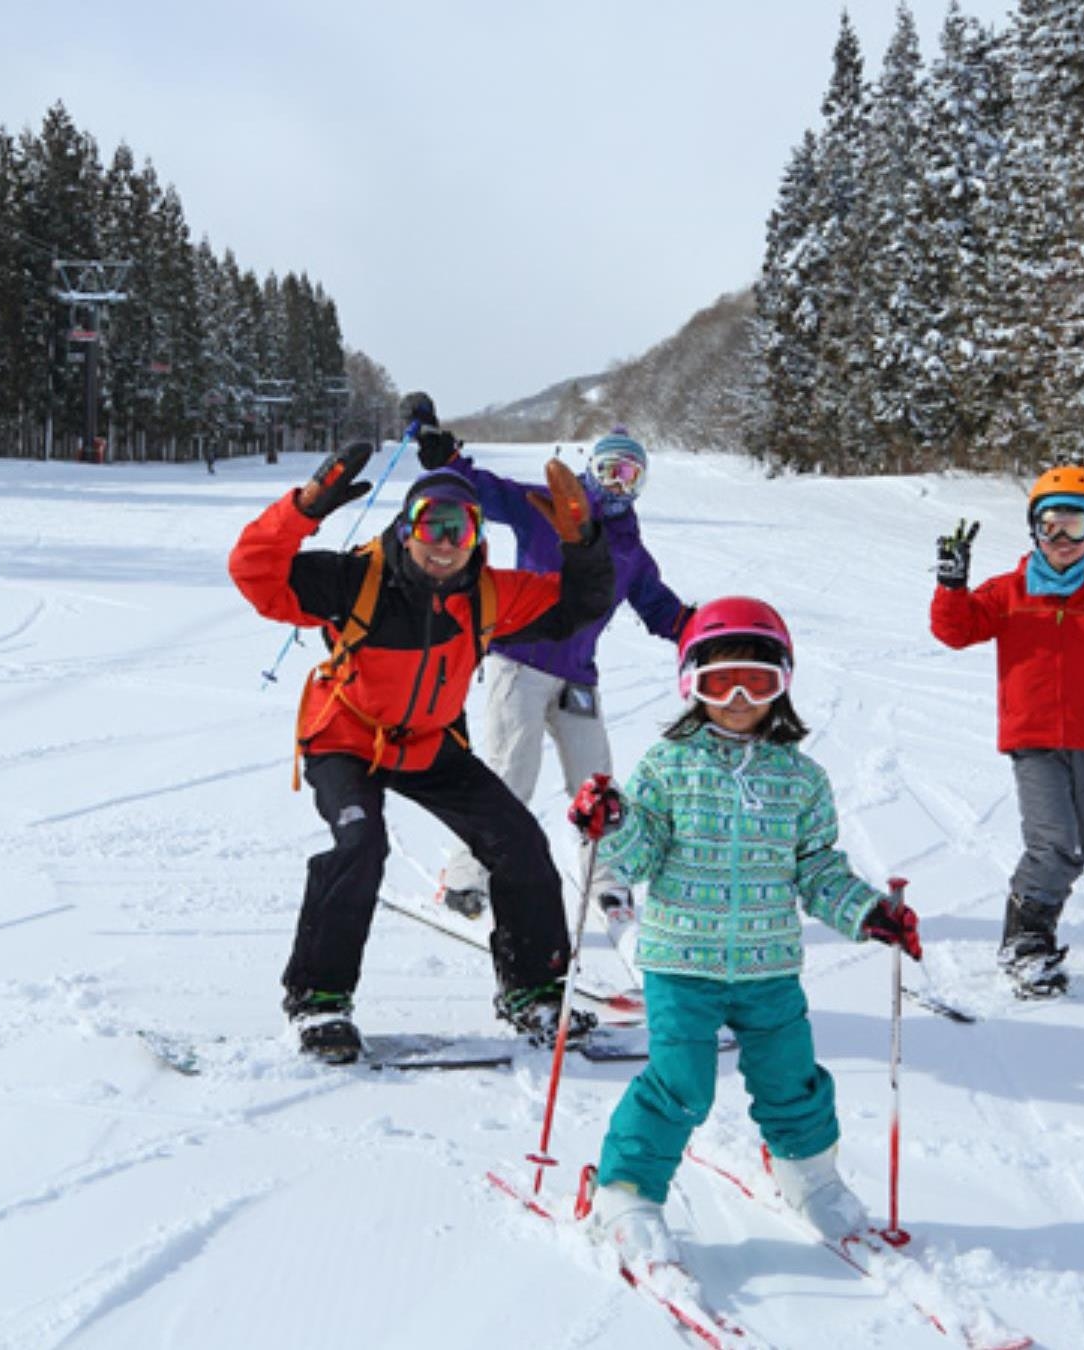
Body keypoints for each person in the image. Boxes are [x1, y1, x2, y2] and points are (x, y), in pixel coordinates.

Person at [228, 419, 618, 1064]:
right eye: (430, 526)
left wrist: (582, 543)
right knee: (360, 844)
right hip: (345, 737)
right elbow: (255, 575)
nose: (443, 544)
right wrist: (304, 509)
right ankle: (319, 1001)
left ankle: (535, 991)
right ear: (407, 528)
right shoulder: (354, 580)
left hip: (428, 743)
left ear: (477, 538)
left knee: (519, 841)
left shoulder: (492, 594)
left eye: (458, 530)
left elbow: (580, 605)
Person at [564, 596, 923, 1270]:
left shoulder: (801, 779)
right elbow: (638, 853)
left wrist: (868, 911)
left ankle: (808, 1175)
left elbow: (817, 869)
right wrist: (612, 822)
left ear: (782, 686)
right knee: (681, 1082)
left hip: (769, 970)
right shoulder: (668, 767)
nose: (736, 697)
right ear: (690, 684)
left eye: (757, 682)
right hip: (680, 963)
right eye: (718, 680)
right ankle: (626, 1190)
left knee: (793, 1079)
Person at [417, 425, 690, 925]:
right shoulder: (546, 506)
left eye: (629, 475)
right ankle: (467, 874)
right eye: (609, 470)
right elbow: (490, 492)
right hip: (519, 661)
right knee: (510, 774)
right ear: (591, 468)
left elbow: (655, 603)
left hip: (577, 676)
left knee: (597, 785)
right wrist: (448, 461)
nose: (616, 484)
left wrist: (694, 630)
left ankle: (607, 882)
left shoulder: (628, 544)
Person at [928, 465, 1084, 999]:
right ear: (1033, 530)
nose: (1061, 540)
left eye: (1075, 527)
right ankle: (1027, 943)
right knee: (1054, 842)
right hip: (1034, 743)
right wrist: (952, 586)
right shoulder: (1009, 592)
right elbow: (956, 631)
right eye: (1050, 527)